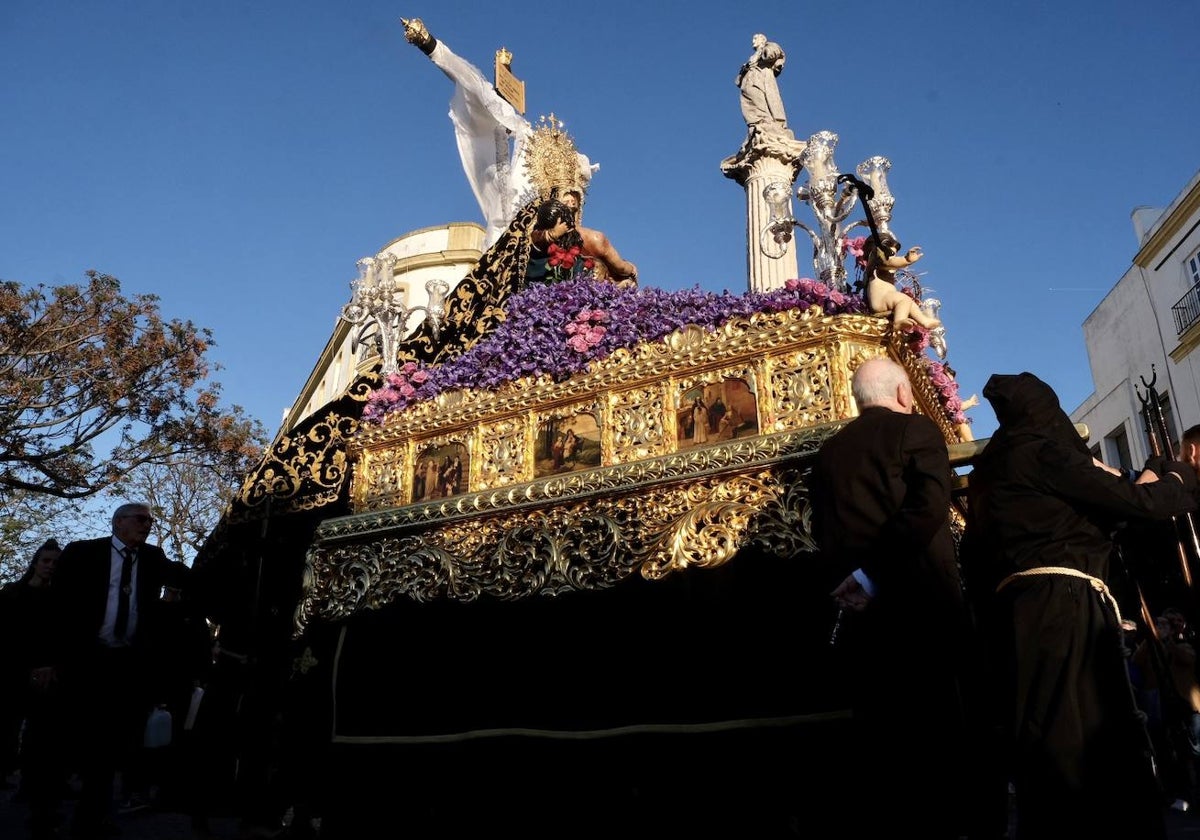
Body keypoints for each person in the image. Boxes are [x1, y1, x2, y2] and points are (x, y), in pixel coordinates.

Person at [962, 373, 1200, 840]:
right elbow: (1138, 502)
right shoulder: (1044, 452)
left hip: (1013, 620)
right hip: (1065, 608)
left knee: (1043, 743)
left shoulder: (988, 473)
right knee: (1087, 738)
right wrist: (1175, 474)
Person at [807, 357, 973, 839]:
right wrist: (872, 573)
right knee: (938, 731)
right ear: (904, 394)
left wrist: (851, 578)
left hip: (859, 614)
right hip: (922, 609)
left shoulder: (831, 452)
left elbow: (822, 530)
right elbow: (927, 509)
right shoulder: (915, 431)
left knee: (883, 736)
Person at [402, 17, 596, 247]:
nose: (572, 204)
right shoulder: (514, 146)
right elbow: (472, 82)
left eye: (574, 201)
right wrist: (430, 45)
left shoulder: (532, 146)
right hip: (507, 237)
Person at [53, 503, 172, 839]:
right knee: (68, 738)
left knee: (110, 746)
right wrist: (49, 659)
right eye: (140, 519)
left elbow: (188, 579)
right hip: (84, 662)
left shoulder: (153, 558)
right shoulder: (83, 553)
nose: (147, 525)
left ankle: (94, 816)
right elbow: (57, 606)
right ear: (118, 522)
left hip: (125, 666)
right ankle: (44, 812)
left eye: (150, 521)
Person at [0, 539, 65, 839]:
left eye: (56, 562)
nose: (51, 566)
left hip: (48, 678)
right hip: (13, 675)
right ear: (36, 562)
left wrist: (50, 666)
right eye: (47, 561)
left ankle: (36, 799)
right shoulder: (12, 593)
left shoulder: (63, 600)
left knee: (42, 743)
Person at [527, 195, 637, 287]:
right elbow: (621, 268)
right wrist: (631, 269)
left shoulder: (592, 238)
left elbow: (621, 267)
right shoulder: (594, 238)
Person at [862, 232, 942, 330]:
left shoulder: (884, 266)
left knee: (909, 302)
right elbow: (891, 261)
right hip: (881, 300)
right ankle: (899, 321)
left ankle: (924, 321)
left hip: (888, 299)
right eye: (891, 254)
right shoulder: (879, 263)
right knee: (903, 300)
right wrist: (906, 260)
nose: (893, 257)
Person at [735, 33, 789, 136]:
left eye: (755, 39)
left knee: (760, 101)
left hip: (760, 79)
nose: (753, 41)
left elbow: (772, 54)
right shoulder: (752, 57)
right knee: (751, 104)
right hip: (748, 81)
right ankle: (756, 125)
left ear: (763, 40)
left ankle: (766, 125)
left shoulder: (769, 46)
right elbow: (738, 81)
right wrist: (745, 68)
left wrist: (761, 52)